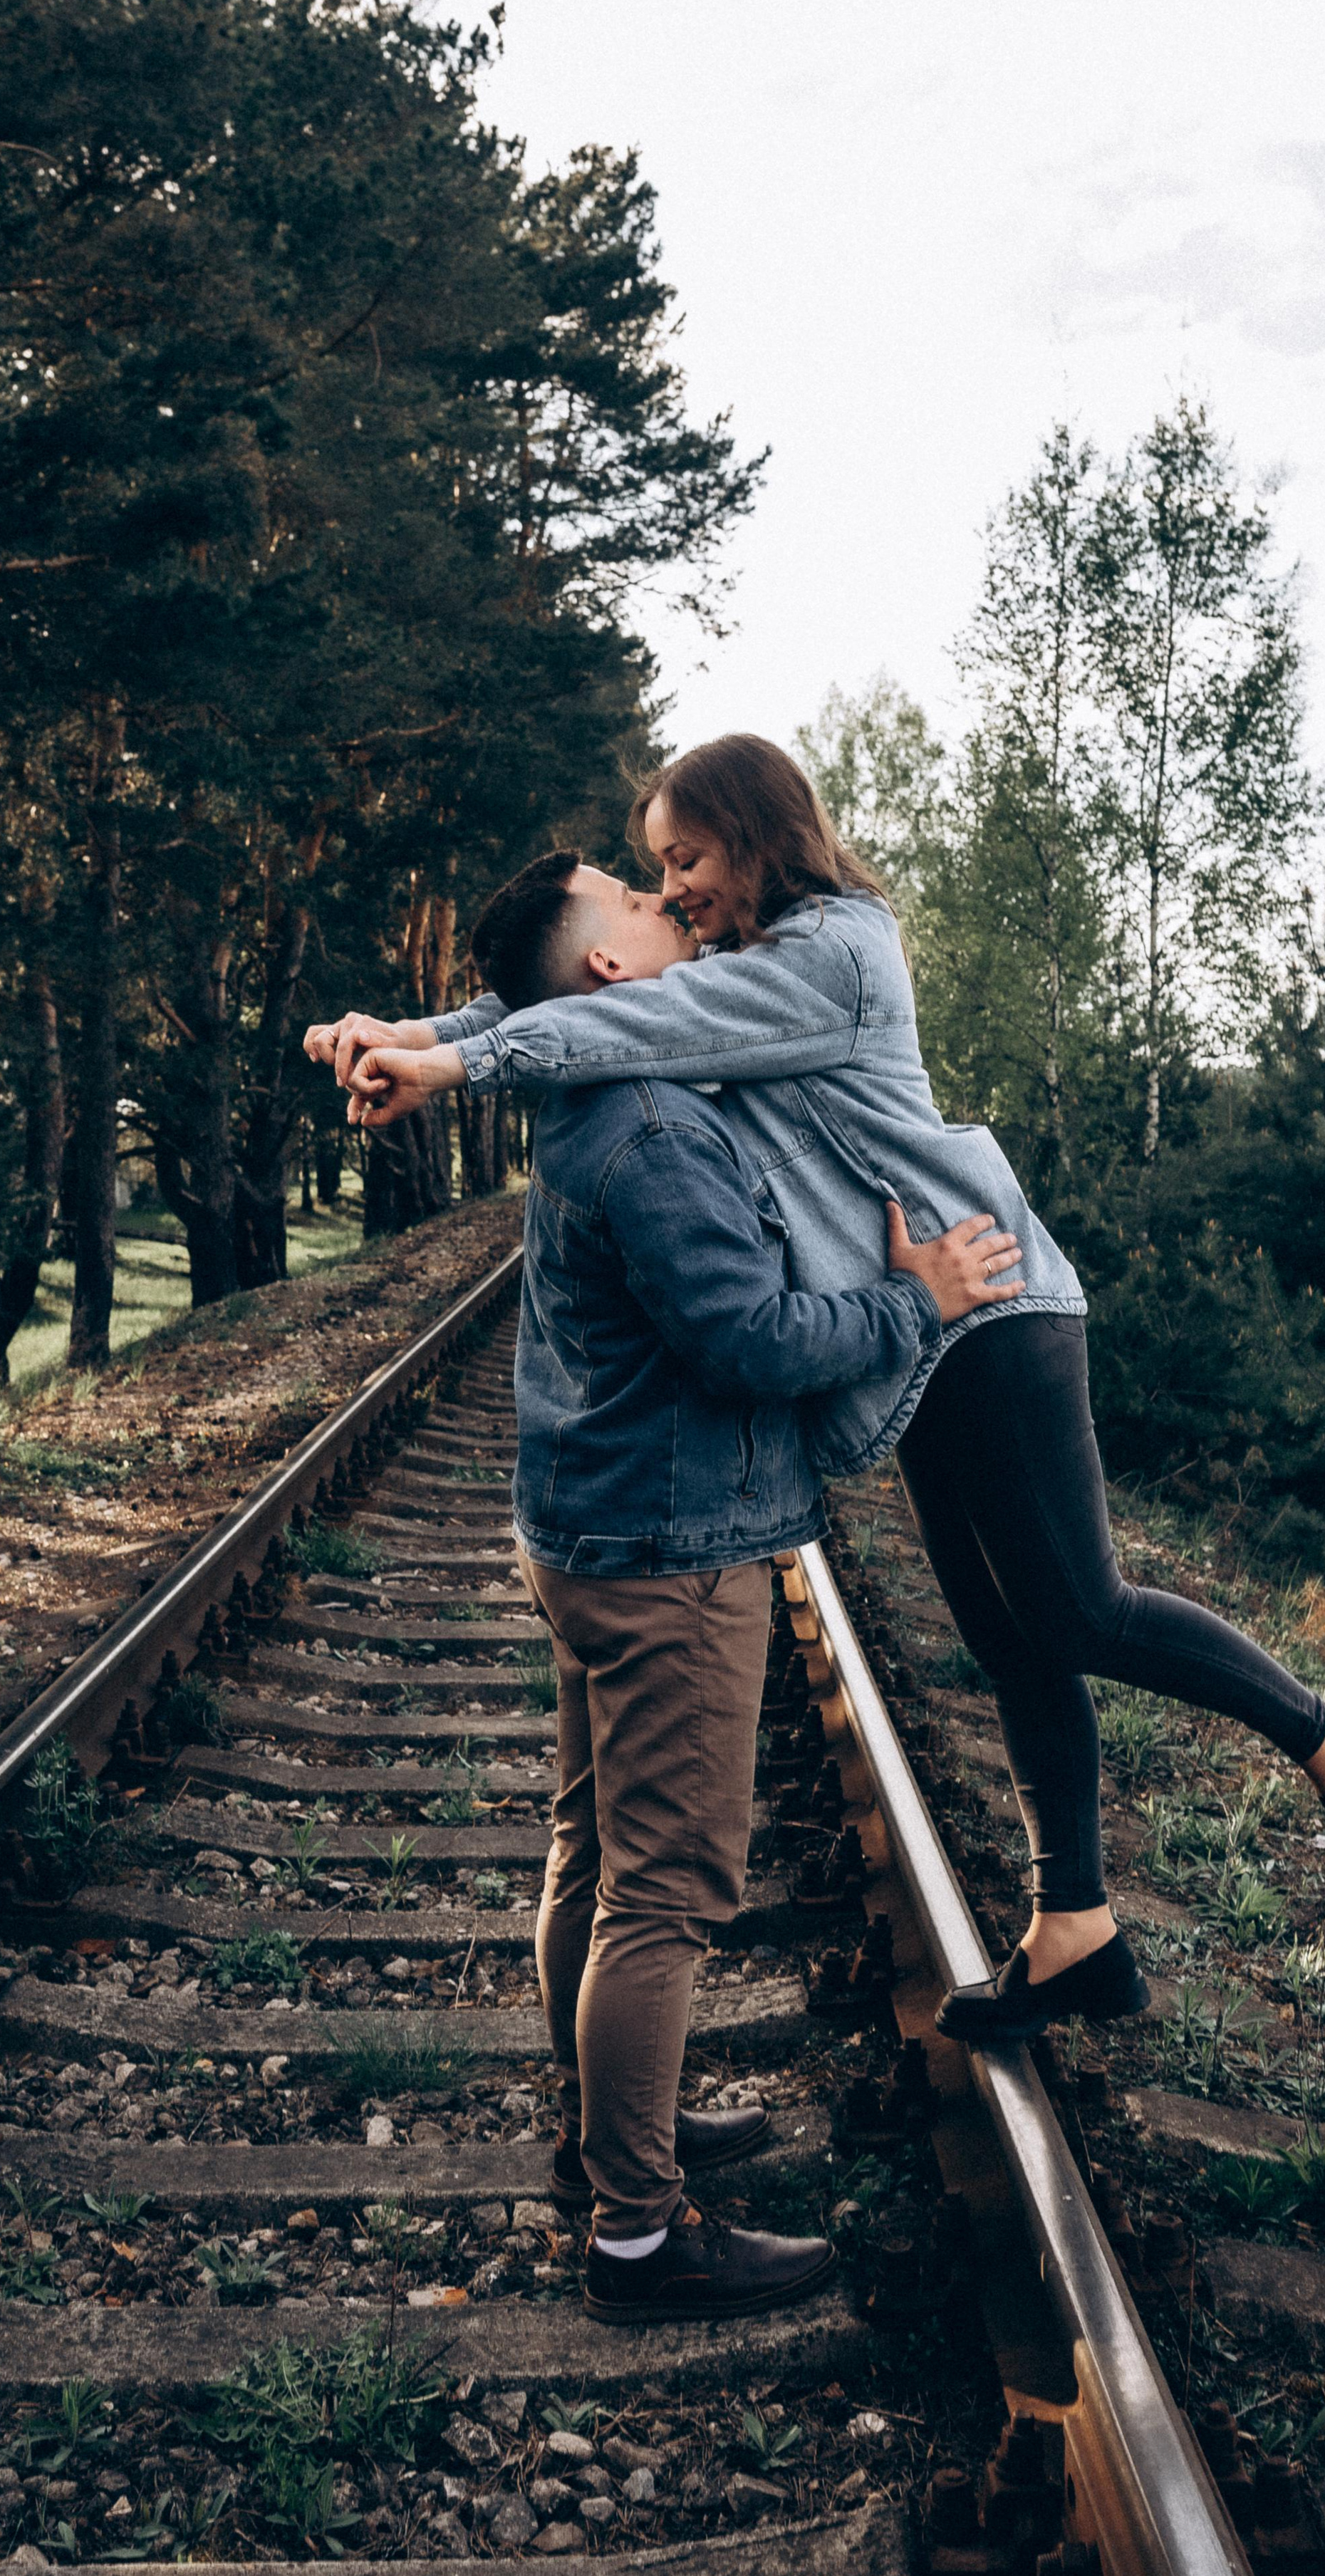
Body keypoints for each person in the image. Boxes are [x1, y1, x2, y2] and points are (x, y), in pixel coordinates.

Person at [306, 737, 1325, 2045]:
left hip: (990, 1302)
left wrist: (445, 1070)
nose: (671, 894)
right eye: (655, 873)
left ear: (757, 835)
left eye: (686, 860)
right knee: (1005, 1636)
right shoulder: (728, 965)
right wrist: (409, 1033)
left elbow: (634, 1015)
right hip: (921, 1321)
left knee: (1078, 1607)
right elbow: (566, 1006)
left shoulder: (836, 952)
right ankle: (1078, 1931)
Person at [391, 852, 1019, 2319]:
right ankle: (635, 2232)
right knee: (661, 1892)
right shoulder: (657, 1127)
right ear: (605, 968)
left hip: (588, 1526)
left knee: (592, 1851)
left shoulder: (593, 1096)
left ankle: (615, 2129)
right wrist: (910, 1298)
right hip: (673, 1550)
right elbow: (754, 1344)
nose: (663, 900)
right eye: (631, 893)